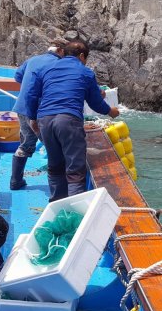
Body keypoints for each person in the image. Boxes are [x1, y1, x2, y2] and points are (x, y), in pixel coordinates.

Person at [25, 39, 119, 201]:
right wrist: (111, 111)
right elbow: (95, 102)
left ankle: (56, 203)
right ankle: (74, 210)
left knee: (54, 165)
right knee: (75, 169)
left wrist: (33, 118)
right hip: (68, 120)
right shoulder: (86, 72)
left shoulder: (45, 69)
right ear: (82, 56)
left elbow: (31, 95)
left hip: (45, 120)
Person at [10, 39, 67, 190]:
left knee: (26, 144)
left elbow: (17, 77)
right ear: (60, 50)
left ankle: (15, 181)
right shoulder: (58, 64)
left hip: (23, 107)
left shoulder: (33, 60)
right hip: (41, 109)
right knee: (53, 145)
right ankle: (59, 187)